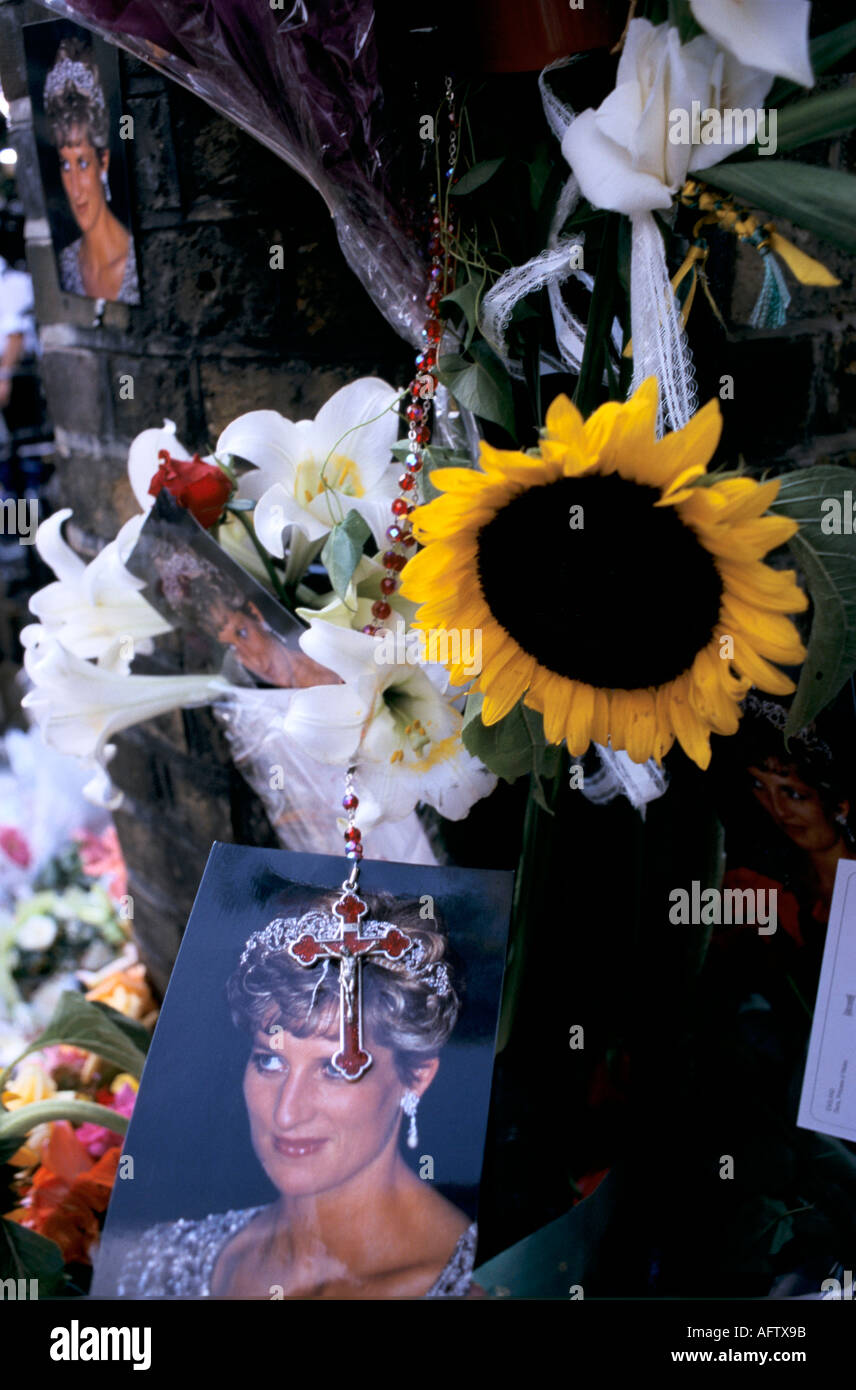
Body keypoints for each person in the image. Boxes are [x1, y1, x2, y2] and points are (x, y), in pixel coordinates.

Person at [116, 894, 477, 1299]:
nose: (286, 1114)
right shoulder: (163, 1259)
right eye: (270, 1062)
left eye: (337, 1068)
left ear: (416, 1078)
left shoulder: (474, 1286)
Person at [43, 37, 139, 305]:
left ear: (103, 162)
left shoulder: (136, 259)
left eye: (83, 162)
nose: (75, 187)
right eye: (65, 164)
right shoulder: (66, 263)